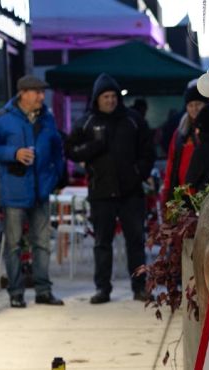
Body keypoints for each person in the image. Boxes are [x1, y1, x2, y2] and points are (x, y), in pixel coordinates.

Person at [64, 73, 155, 304]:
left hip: (131, 192)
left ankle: (139, 286)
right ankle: (103, 289)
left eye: (113, 96)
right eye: (106, 96)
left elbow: (148, 151)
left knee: (135, 242)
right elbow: (71, 150)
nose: (110, 100)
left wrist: (139, 174)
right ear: (97, 98)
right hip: (101, 192)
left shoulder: (133, 120)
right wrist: (93, 147)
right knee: (101, 243)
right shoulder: (86, 122)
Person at [0, 75, 64, 308]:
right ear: (22, 93)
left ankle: (43, 291)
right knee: (13, 245)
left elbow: (57, 149)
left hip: (41, 190)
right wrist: (13, 153)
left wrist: (56, 175)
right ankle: (16, 293)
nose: (41, 96)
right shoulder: (3, 118)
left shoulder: (47, 118)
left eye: (42, 92)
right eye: (36, 92)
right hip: (14, 191)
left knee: (43, 243)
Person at [161, 84, 208, 202]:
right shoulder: (181, 132)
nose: (194, 108)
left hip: (205, 191)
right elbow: (171, 162)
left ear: (205, 105)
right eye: (190, 105)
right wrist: (167, 190)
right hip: (182, 193)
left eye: (198, 104)